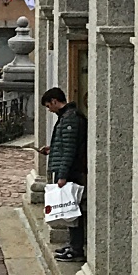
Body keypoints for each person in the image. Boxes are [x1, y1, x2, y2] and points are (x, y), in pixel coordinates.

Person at [40, 87, 88, 262]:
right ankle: (73, 244)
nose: (49, 110)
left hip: (72, 172)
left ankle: (76, 248)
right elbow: (65, 144)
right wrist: (52, 149)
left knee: (72, 210)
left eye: (48, 106)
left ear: (54, 101)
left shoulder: (70, 119)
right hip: (69, 170)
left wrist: (62, 175)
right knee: (69, 210)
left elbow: (69, 150)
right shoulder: (67, 118)